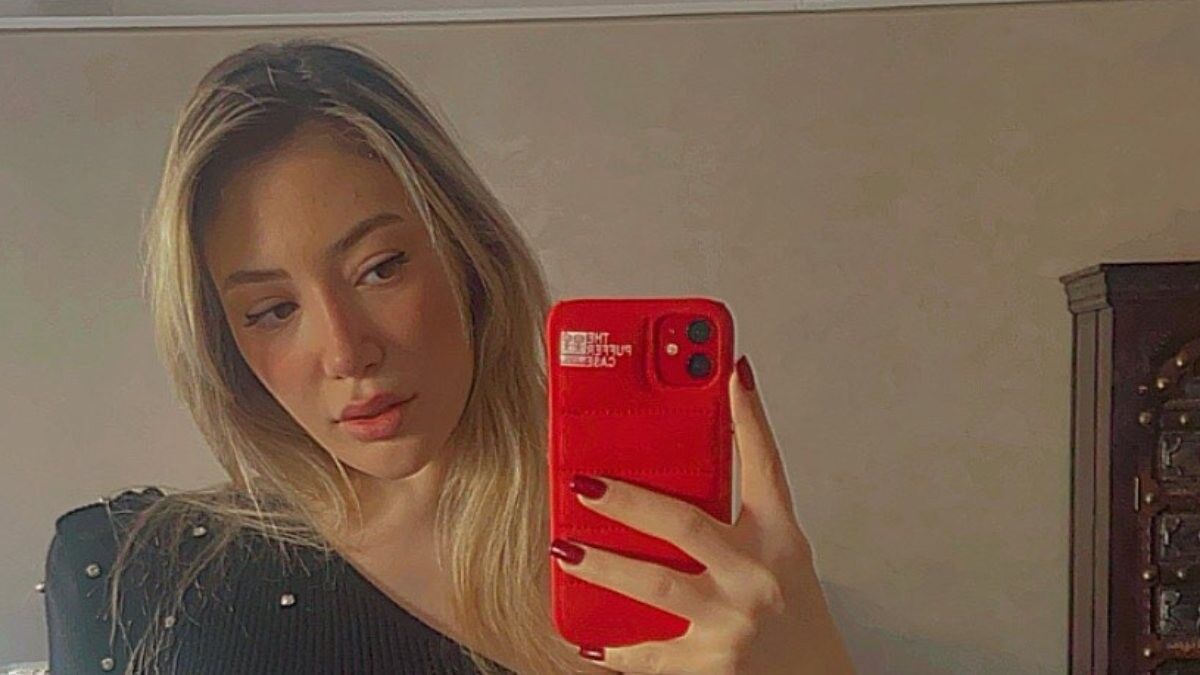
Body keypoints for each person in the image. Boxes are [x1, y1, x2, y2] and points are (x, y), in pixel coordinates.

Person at [40, 36, 856, 675]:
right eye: (273, 310)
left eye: (381, 268)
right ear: (223, 342)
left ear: (468, 255)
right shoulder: (126, 570)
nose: (347, 350)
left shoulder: (666, 587)